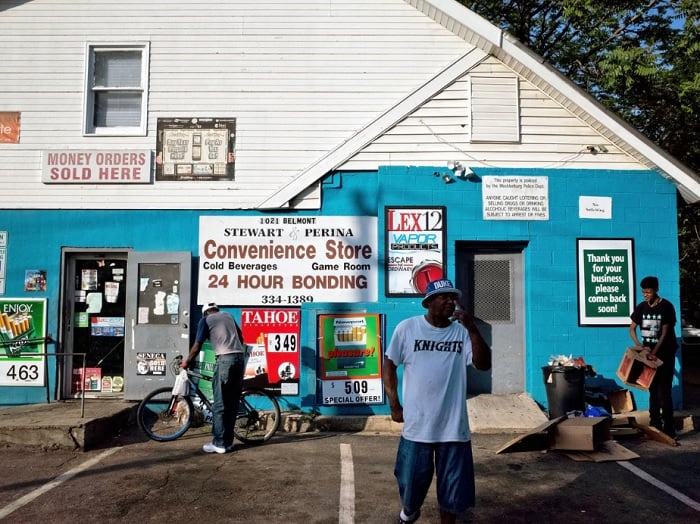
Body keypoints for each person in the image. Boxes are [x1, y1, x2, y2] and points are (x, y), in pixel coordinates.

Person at [384, 278, 492, 524]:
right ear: (429, 302)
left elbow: (484, 365)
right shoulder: (407, 328)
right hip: (417, 426)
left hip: (453, 428)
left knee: (452, 496)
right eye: (444, 296)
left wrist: (473, 329)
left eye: (453, 297)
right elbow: (389, 364)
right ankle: (409, 513)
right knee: (410, 485)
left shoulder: (462, 332)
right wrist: (394, 404)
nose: (451, 301)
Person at [182, 302, 247, 453]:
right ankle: (228, 443)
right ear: (216, 310)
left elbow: (197, 345)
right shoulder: (228, 316)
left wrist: (187, 362)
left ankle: (218, 443)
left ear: (205, 312)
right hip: (239, 359)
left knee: (219, 404)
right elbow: (241, 337)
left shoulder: (205, 320)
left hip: (225, 361)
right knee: (231, 404)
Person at [629, 276, 678, 438]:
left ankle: (669, 428)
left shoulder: (666, 307)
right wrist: (640, 345)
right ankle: (655, 423)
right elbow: (632, 329)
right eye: (643, 292)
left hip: (664, 355)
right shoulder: (641, 307)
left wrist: (654, 352)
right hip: (648, 355)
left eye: (648, 292)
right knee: (652, 390)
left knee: (664, 392)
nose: (646, 295)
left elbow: (664, 333)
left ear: (656, 290)